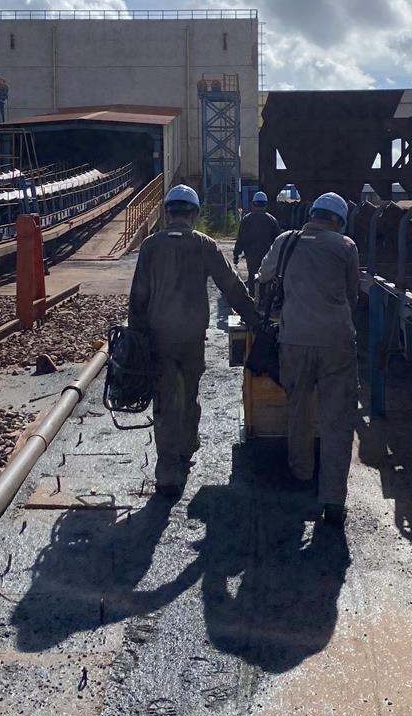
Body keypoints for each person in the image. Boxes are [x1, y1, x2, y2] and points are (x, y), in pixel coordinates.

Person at [128, 184, 261, 497]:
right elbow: (230, 284)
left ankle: (167, 474)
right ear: (195, 214)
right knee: (189, 394)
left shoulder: (150, 246)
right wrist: (255, 318)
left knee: (165, 402)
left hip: (158, 338)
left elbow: (138, 295)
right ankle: (186, 448)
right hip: (191, 338)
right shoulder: (204, 244)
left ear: (168, 213)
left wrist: (136, 336)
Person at [258, 192, 359, 527]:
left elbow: (263, 277)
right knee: (337, 420)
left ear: (312, 215)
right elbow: (352, 295)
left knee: (299, 409)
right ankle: (333, 499)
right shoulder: (346, 246)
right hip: (336, 343)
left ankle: (301, 476)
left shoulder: (286, 241)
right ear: (338, 221)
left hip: (294, 340)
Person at [233, 191, 281, 294]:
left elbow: (241, 239)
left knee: (252, 276)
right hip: (267, 256)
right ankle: (264, 297)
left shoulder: (246, 219)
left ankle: (252, 297)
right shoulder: (272, 220)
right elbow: (278, 241)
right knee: (267, 277)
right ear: (266, 204)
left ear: (253, 204)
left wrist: (236, 255)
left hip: (251, 255)